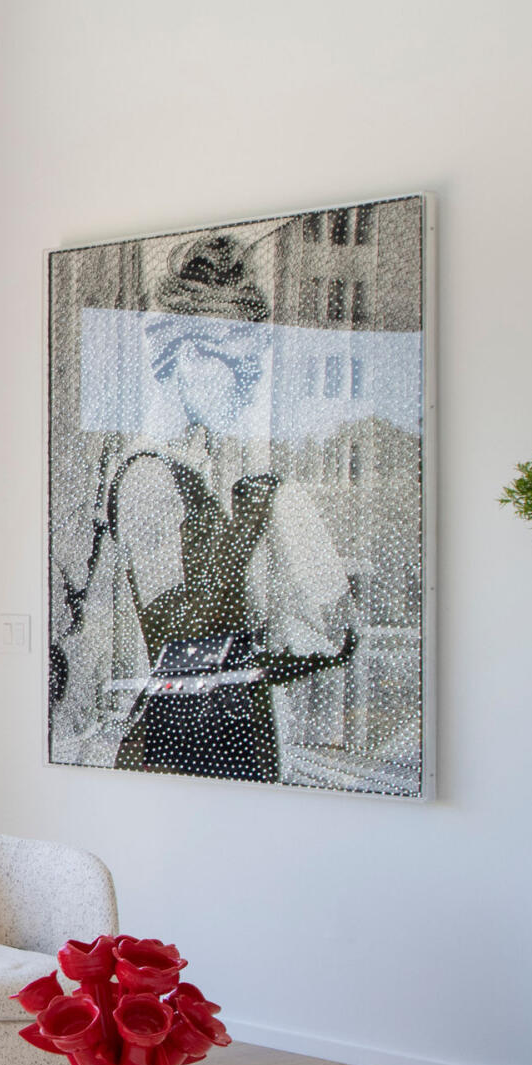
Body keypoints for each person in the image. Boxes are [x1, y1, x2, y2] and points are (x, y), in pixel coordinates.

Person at [52, 233, 355, 784]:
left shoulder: (208, 481)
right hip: (185, 745)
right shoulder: (147, 476)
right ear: (190, 356)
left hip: (232, 739)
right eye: (240, 366)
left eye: (255, 367)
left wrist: (319, 622)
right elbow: (179, 642)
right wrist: (253, 524)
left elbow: (285, 645)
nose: (250, 385)